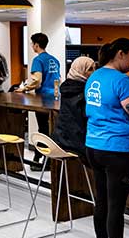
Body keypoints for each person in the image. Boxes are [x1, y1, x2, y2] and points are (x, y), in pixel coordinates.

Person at [85, 37, 129, 238]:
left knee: (101, 199)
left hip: (94, 146)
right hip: (117, 149)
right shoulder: (122, 81)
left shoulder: (94, 76)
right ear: (120, 54)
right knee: (115, 205)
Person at [17, 32, 61, 167]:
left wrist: (24, 88)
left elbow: (37, 81)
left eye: (32, 43)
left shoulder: (38, 60)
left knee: (43, 128)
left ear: (36, 45)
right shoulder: (54, 59)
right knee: (50, 128)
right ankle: (43, 158)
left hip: (43, 98)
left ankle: (42, 160)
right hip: (55, 96)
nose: (31, 46)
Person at [52, 56, 96, 159]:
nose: (94, 72)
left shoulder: (66, 88)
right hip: (78, 144)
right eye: (90, 69)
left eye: (94, 68)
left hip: (60, 139)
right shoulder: (85, 92)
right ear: (80, 70)